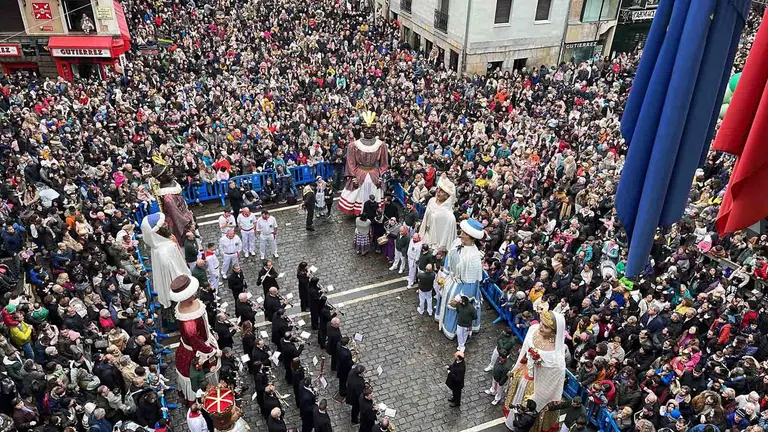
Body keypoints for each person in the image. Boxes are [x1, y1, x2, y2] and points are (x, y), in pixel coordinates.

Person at [504, 311, 567, 432]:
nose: (540, 327)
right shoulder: (533, 329)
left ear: (555, 331)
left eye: (546, 326)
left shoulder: (556, 358)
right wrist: (517, 367)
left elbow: (552, 383)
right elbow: (524, 351)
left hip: (536, 388)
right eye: (541, 323)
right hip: (524, 375)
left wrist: (537, 398)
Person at [170, 275, 220, 403]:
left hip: (203, 340)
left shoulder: (188, 308)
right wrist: (212, 351)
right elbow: (196, 341)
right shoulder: (189, 324)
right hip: (196, 350)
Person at [436, 219, 485, 343]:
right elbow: (449, 259)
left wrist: (459, 298)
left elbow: (472, 283)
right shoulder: (457, 242)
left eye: (464, 233)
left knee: (453, 306)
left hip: (461, 287)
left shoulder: (474, 257)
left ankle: (453, 332)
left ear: (471, 237)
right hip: (450, 280)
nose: (461, 234)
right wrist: (443, 275)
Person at [339, 111, 390, 214]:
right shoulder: (353, 145)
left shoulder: (381, 145)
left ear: (375, 130)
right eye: (366, 129)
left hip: (374, 175)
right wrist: (353, 176)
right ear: (362, 130)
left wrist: (381, 175)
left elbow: (384, 164)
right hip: (359, 174)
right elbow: (350, 163)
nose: (369, 131)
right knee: (357, 194)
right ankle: (360, 212)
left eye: (372, 129)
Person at [141, 212, 190, 309]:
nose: (166, 224)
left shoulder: (158, 246)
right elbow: (175, 274)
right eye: (163, 224)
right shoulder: (166, 250)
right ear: (157, 231)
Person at [418, 175, 457, 252]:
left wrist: (439, 249)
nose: (438, 192)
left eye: (442, 191)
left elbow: (447, 237)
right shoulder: (431, 201)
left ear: (447, 196)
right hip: (425, 237)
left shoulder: (449, 216)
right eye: (438, 189)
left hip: (435, 246)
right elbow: (425, 220)